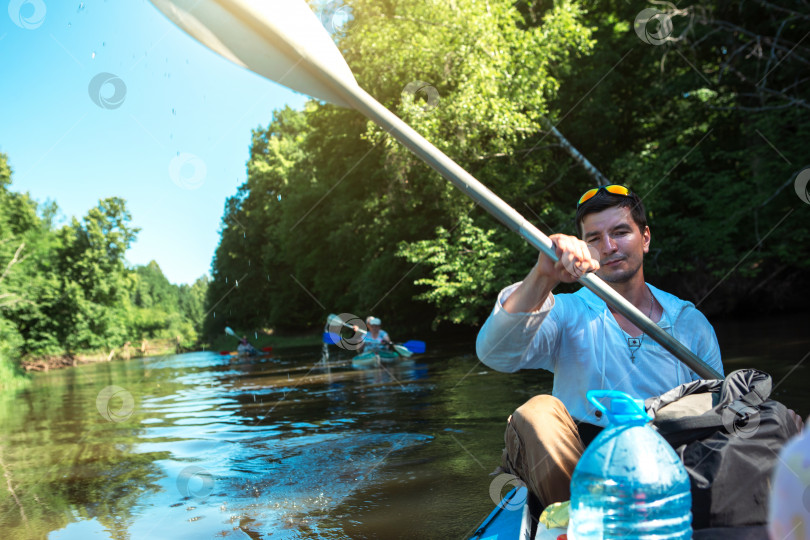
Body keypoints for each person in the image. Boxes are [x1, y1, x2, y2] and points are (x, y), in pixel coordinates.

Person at [476, 184, 724, 509]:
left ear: (645, 238)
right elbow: (495, 354)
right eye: (593, 239)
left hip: (667, 460)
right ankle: (580, 520)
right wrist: (543, 276)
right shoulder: (567, 312)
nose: (608, 247)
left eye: (621, 232)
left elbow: (719, 411)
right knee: (535, 413)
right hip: (578, 465)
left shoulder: (690, 324)